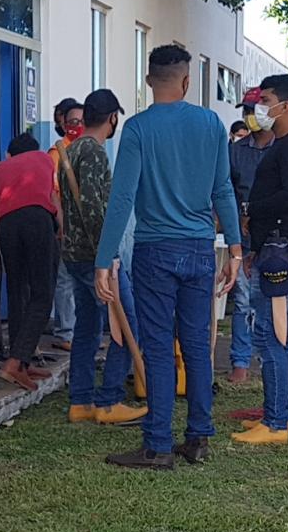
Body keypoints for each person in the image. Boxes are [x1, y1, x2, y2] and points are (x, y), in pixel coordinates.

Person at [93, 45, 242, 469]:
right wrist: (234, 248)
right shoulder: (211, 123)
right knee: (197, 346)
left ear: (147, 81)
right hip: (199, 248)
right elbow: (223, 190)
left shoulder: (137, 130)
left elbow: (121, 199)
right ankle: (198, 438)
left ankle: (157, 444)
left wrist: (104, 260)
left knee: (158, 349)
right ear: (187, 81)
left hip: (153, 251)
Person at [232, 73, 288, 445]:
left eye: (265, 100)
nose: (258, 107)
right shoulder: (282, 146)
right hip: (272, 247)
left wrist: (252, 210)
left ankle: (278, 422)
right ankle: (280, 413)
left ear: (285, 105)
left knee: (272, 333)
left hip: (282, 249)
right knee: (286, 330)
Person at [58, 89, 146, 426]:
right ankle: (109, 400)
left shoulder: (72, 150)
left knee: (88, 328)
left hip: (75, 253)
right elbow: (94, 208)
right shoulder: (93, 153)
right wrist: (107, 258)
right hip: (96, 256)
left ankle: (80, 401)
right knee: (126, 324)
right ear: (112, 119)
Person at [0, 133, 59, 389]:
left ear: (9, 154)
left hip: (6, 225)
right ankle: (15, 362)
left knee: (17, 291)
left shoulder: (0, 169)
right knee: (42, 293)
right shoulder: (45, 159)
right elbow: (53, 195)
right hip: (37, 219)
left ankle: (21, 361)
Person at [225, 98, 274, 385]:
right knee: (243, 301)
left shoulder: (282, 148)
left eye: (253, 111)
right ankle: (240, 360)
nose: (249, 117)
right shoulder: (236, 152)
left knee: (272, 304)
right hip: (242, 237)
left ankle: (270, 359)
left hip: (273, 238)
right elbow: (226, 191)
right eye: (246, 112)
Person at [44, 98, 85, 351]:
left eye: (82, 122)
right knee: (66, 278)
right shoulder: (57, 153)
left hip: (88, 226)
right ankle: (65, 333)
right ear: (62, 122)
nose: (77, 126)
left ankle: (80, 331)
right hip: (68, 225)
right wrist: (63, 224)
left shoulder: (89, 149)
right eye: (72, 122)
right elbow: (53, 192)